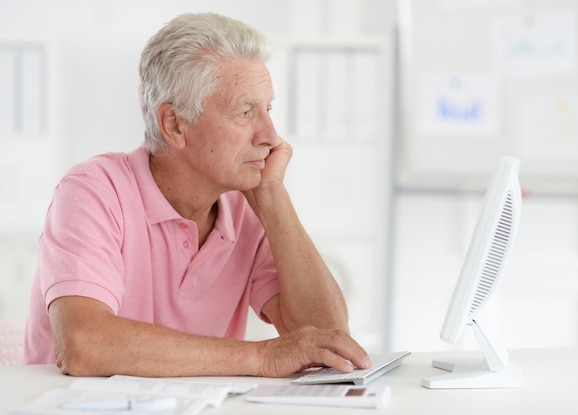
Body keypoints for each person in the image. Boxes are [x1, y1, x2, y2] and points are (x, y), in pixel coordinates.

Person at [22, 12, 371, 378]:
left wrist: (273, 197)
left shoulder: (248, 204)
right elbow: (83, 346)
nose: (271, 136)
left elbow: (330, 343)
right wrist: (260, 358)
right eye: (245, 111)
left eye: (268, 109)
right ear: (174, 125)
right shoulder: (93, 190)